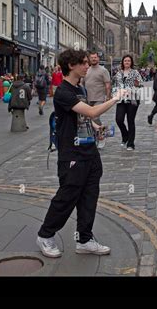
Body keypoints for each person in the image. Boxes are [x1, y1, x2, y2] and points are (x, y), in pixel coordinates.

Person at [36, 49, 127, 258]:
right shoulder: (63, 92)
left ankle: (84, 239)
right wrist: (115, 98)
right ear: (71, 65)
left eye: (88, 62)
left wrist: (96, 128)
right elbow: (93, 111)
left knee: (89, 196)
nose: (88, 66)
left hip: (89, 151)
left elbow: (85, 117)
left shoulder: (80, 88)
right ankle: (45, 235)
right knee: (67, 197)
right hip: (72, 153)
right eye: (84, 63)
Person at [112, 55, 143, 150]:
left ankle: (130, 143)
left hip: (132, 99)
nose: (127, 62)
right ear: (122, 62)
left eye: (129, 61)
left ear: (131, 62)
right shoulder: (118, 73)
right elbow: (115, 85)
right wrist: (115, 95)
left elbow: (141, 84)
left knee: (130, 121)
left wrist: (135, 86)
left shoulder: (135, 72)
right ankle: (125, 135)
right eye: (125, 60)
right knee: (119, 119)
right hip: (121, 99)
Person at [84, 51, 111, 125]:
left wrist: (108, 97)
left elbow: (107, 84)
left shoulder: (103, 70)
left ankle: (101, 131)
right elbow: (82, 83)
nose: (93, 59)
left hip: (99, 98)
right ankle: (95, 133)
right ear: (89, 59)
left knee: (95, 117)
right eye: (92, 58)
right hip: (87, 98)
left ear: (98, 58)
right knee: (87, 118)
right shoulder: (86, 70)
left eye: (95, 57)